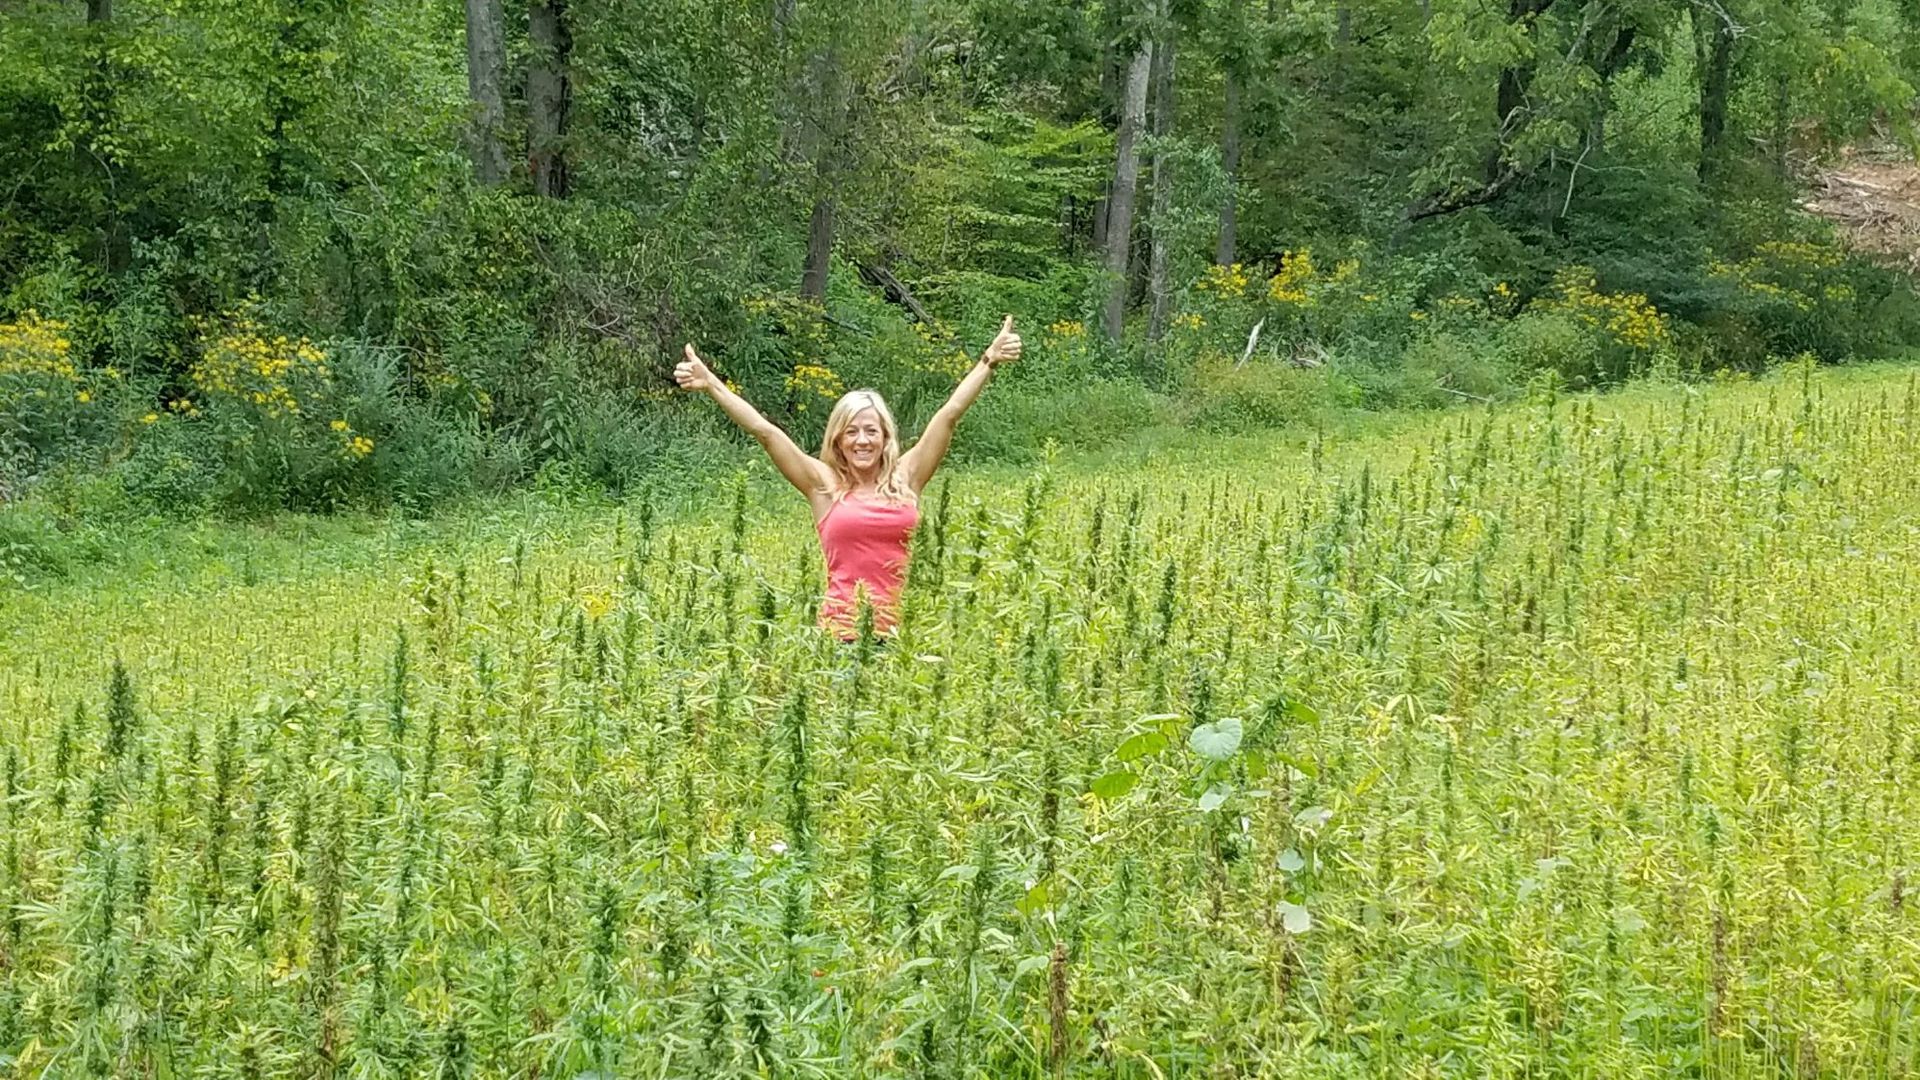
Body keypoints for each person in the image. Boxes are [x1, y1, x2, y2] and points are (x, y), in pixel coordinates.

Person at [674, 316, 1023, 640]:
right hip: (841, 636)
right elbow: (765, 432)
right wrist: (712, 384)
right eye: (851, 431)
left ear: (885, 436)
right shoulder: (823, 485)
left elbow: (949, 415)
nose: (862, 441)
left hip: (906, 637)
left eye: (871, 431)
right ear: (838, 439)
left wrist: (988, 361)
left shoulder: (907, 476)